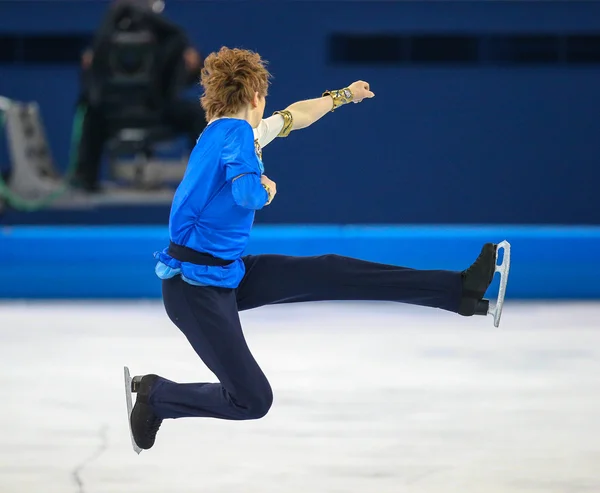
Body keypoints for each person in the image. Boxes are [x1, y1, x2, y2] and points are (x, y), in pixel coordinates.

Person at [127, 46, 500, 451]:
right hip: (194, 288)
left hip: (227, 272)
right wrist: (265, 189)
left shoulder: (228, 133)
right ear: (255, 95)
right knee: (252, 399)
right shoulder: (233, 135)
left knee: (332, 271)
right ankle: (157, 396)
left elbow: (295, 116)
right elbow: (247, 192)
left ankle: (459, 291)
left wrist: (343, 95)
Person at [74, 0, 206, 191]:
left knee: (200, 114)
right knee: (90, 112)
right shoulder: (105, 43)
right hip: (118, 113)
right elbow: (92, 84)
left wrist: (190, 67)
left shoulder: (168, 41)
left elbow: (179, 78)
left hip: (156, 110)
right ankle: (84, 181)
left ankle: (204, 179)